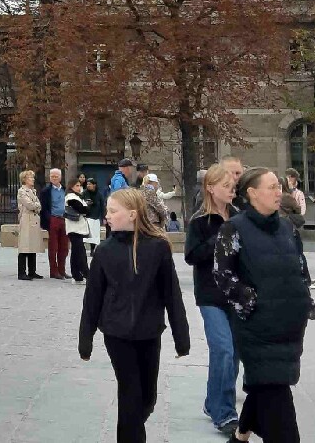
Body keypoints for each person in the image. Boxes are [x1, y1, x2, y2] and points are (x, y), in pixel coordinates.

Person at [79, 187, 190, 443]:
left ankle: (132, 428)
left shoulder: (158, 248)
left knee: (147, 398)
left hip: (149, 332)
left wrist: (181, 338)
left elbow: (172, 294)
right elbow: (92, 298)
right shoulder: (104, 251)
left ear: (132, 214)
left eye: (112, 211)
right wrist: (86, 339)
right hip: (116, 334)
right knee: (130, 394)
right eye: (107, 211)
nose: (107, 216)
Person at [214, 167, 314, 443]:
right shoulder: (233, 228)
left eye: (279, 187)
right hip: (256, 327)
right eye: (271, 187)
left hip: (289, 326)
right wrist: (249, 300)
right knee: (275, 394)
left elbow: (300, 267)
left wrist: (304, 299)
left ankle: (240, 436)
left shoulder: (287, 227)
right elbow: (222, 275)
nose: (278, 192)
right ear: (252, 193)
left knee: (266, 385)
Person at [185, 162, 240, 437]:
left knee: (235, 353)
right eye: (226, 186)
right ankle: (225, 413)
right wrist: (220, 238)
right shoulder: (200, 221)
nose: (232, 191)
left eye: (233, 187)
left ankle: (212, 402)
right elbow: (191, 256)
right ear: (210, 188)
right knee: (223, 350)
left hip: (237, 294)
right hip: (210, 294)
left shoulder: (239, 216)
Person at [40, 167, 69, 280]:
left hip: (64, 219)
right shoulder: (46, 191)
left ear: (60, 177)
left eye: (56, 176)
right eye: (52, 176)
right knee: (53, 246)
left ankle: (62, 270)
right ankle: (54, 271)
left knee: (64, 247)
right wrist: (48, 219)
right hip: (53, 219)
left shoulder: (65, 190)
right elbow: (43, 207)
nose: (54, 178)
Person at [16, 169, 44, 280]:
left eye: (33, 177)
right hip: (26, 219)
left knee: (33, 245)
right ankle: (21, 272)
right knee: (25, 246)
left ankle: (32, 271)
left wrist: (36, 205)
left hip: (34, 219)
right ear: (24, 179)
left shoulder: (33, 191)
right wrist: (36, 205)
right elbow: (30, 205)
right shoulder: (22, 191)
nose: (33, 179)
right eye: (30, 177)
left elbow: (39, 205)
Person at [64, 180, 92, 284]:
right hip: (74, 228)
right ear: (71, 186)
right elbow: (83, 210)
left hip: (77, 228)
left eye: (80, 185)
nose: (79, 187)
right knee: (80, 252)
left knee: (76, 253)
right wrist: (86, 207)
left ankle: (77, 276)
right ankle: (86, 274)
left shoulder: (77, 197)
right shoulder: (71, 197)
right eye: (77, 185)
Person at [82, 177, 103, 255]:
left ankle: (92, 250)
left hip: (96, 217)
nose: (88, 185)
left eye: (90, 184)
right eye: (87, 184)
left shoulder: (99, 194)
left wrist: (103, 217)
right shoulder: (84, 193)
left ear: (94, 185)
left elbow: (102, 206)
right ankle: (83, 250)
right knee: (85, 234)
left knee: (94, 235)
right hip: (87, 217)